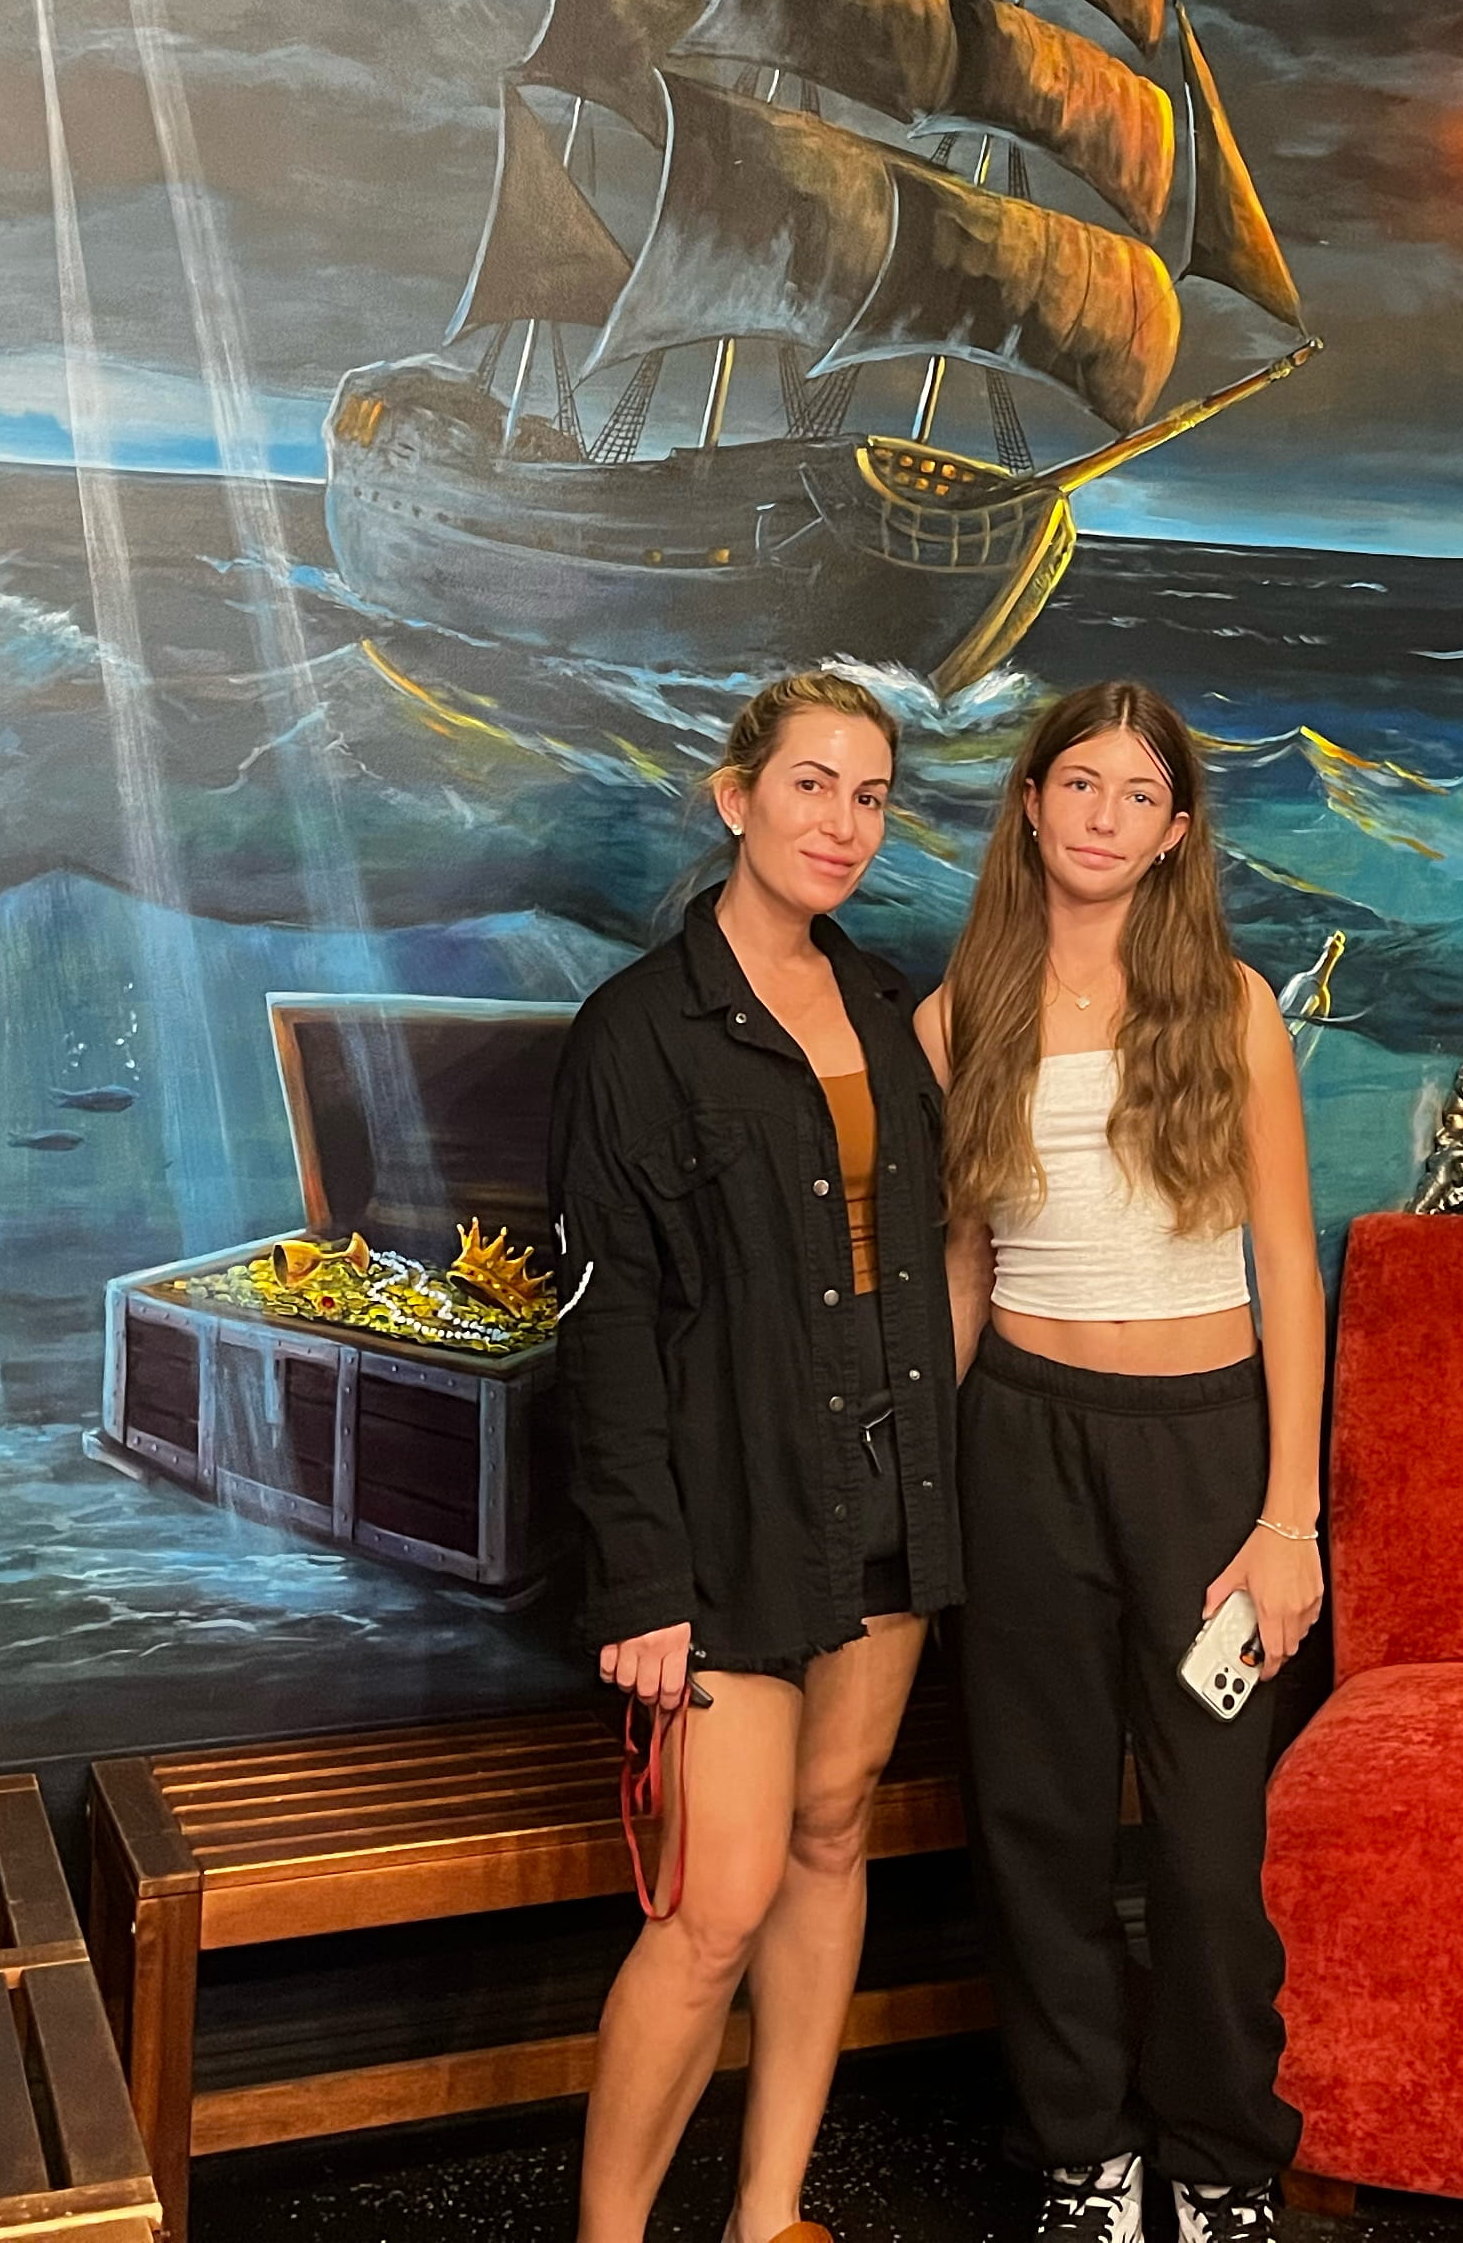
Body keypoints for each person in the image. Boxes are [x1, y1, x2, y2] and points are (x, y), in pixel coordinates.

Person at [551, 670, 958, 2243]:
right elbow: (605, 1327)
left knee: (833, 1833)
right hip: (726, 1519)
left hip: (888, 1494)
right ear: (736, 800)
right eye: (809, 785)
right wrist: (641, 1581)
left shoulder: (885, 1007)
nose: (842, 824)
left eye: (870, 796)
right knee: (714, 1905)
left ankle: (768, 2215)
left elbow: (922, 1260)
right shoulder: (634, 1033)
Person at [917, 682, 1326, 2243]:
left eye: (1137, 793)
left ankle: (1222, 2157)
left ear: (1174, 833)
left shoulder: (1231, 1005)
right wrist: (919, 1495)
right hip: (1020, 1443)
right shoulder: (957, 1016)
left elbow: (1288, 1269)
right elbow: (963, 1269)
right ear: (1030, 804)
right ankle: (1082, 2151)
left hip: (1206, 1455)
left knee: (1210, 1851)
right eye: (1077, 782)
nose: (1102, 814)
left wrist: (1290, 1520)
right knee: (1038, 1831)